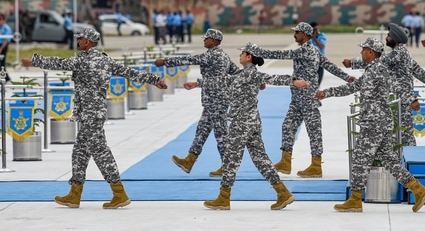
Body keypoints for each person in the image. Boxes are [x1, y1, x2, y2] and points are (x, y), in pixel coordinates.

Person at [21, 28, 168, 209]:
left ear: (88, 42)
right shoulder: (105, 60)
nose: (78, 41)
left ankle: (119, 193)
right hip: (95, 112)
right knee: (80, 152)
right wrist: (154, 80)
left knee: (100, 152)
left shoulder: (83, 60)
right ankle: (75, 194)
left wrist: (34, 60)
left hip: (90, 114)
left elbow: (59, 63)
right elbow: (130, 72)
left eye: (80, 38)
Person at [187, 43, 308, 211]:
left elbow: (272, 78)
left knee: (230, 160)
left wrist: (294, 82)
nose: (240, 56)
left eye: (242, 53)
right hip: (252, 123)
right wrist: (197, 83)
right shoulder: (244, 74)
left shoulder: (250, 74)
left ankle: (223, 198)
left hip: (242, 124)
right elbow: (224, 80)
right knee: (261, 160)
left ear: (249, 57)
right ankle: (283, 193)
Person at [317, 38, 425, 213]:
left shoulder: (378, 69)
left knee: (360, 159)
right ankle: (419, 190)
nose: (361, 53)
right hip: (381, 123)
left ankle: (355, 200)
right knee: (390, 162)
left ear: (370, 52)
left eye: (363, 50)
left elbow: (397, 86)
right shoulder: (373, 70)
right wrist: (327, 93)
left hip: (374, 123)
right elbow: (354, 86)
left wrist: (412, 100)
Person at [249, 22, 355, 178]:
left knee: (313, 131)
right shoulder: (315, 52)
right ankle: (286, 162)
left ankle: (316, 166)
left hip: (307, 97)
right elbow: (331, 66)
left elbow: (278, 55)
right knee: (288, 126)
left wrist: (256, 50)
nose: (294, 35)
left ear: (305, 34)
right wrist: (347, 77)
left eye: (297, 32)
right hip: (297, 98)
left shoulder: (305, 51)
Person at [155, 28, 239, 177]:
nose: (204, 40)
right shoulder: (224, 56)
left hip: (217, 100)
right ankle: (190, 159)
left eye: (206, 38)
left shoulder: (212, 56)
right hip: (214, 100)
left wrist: (164, 62)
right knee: (202, 130)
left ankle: (228, 168)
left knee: (221, 134)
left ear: (213, 40)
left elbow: (189, 59)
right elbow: (237, 72)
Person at [344, 23, 425, 146]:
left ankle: (410, 162)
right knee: (402, 132)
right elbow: (418, 71)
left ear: (395, 38)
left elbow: (378, 61)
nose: (386, 38)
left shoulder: (399, 53)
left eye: (389, 36)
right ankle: (407, 161)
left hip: (402, 97)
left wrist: (352, 63)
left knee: (405, 134)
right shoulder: (403, 52)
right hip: (401, 97)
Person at [0, 13, 12, 83]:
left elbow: (6, 40)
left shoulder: (6, 28)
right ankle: (5, 77)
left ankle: (5, 77)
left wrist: (1, 48)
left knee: (2, 62)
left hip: (3, 46)